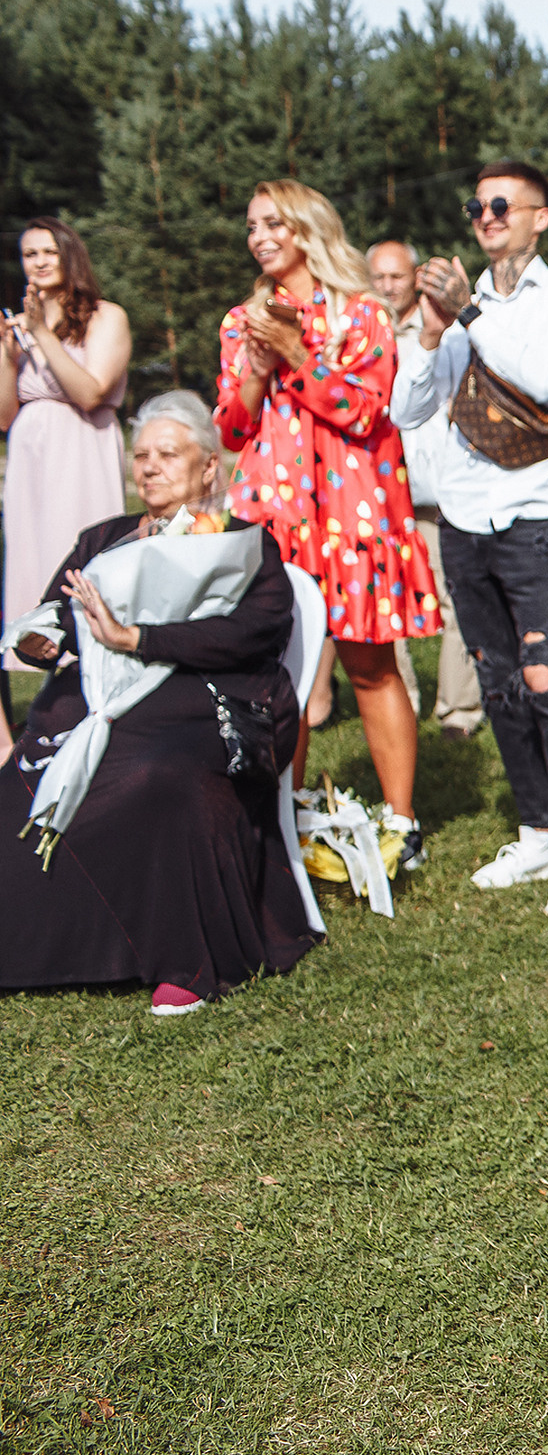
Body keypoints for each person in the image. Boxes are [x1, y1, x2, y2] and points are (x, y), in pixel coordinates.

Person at [0, 391, 315, 1016]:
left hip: (209, 704)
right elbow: (59, 614)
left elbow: (254, 631)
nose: (149, 466)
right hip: (104, 709)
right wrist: (41, 639)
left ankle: (188, 958)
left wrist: (139, 639)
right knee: (21, 784)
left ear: (207, 469)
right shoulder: (104, 538)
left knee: (165, 775)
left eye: (168, 454)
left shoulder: (242, 542)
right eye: (140, 455)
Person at [400, 162, 548, 914]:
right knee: (496, 680)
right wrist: (428, 334)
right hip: (462, 513)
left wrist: (466, 318)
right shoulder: (464, 304)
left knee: (546, 676)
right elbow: (407, 407)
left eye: (500, 204)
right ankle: (539, 828)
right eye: (476, 205)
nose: (485, 216)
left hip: (530, 512)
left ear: (540, 217)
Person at [215, 178, 438, 875]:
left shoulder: (364, 315)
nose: (259, 238)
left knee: (370, 664)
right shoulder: (239, 319)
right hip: (275, 513)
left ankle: (402, 825)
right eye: (252, 226)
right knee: (281, 670)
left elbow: (368, 412)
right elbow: (231, 425)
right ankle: (289, 817)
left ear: (308, 229)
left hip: (352, 511)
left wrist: (295, 350)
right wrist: (255, 370)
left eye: (273, 223)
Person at [2, 218, 131, 674]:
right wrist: (5, 354)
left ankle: (99, 662)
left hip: (81, 449)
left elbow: (91, 392)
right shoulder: (21, 329)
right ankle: (43, 674)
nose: (37, 262)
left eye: (47, 252)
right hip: (30, 458)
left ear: (69, 254)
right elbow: (4, 415)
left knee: (83, 555)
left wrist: (41, 335)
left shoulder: (105, 316)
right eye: (29, 254)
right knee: (34, 559)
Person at [370, 239, 482, 738]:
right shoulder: (362, 332)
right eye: (378, 277)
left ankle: (459, 708)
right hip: (378, 491)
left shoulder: (445, 326)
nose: (387, 286)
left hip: (436, 487)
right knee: (384, 603)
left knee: (455, 598)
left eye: (396, 276)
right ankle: (402, 699)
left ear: (414, 276)